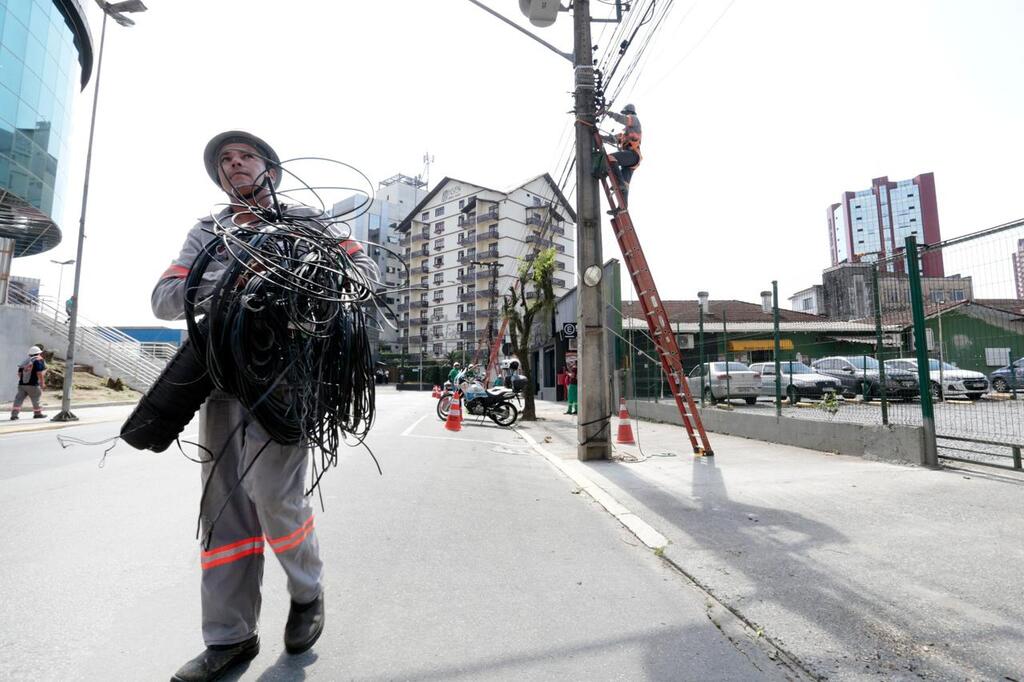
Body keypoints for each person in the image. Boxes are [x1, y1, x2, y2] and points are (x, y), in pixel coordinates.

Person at [151, 130, 379, 682]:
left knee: (275, 498)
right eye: (225, 161)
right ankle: (229, 639)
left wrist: (293, 281)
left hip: (287, 378)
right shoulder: (207, 232)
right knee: (223, 512)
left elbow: (365, 277)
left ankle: (307, 591)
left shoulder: (311, 223)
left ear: (270, 168)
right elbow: (163, 299)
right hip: (222, 378)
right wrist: (231, 282)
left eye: (245, 156)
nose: (234, 165)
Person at [600, 103, 642, 209]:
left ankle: (620, 184)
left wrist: (607, 113)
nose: (626, 115)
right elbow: (613, 139)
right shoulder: (625, 133)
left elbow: (623, 119)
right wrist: (601, 137)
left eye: (626, 113)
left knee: (610, 158)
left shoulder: (633, 119)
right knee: (625, 184)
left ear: (629, 112)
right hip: (631, 159)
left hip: (632, 155)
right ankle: (623, 207)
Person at [10, 345, 46, 420]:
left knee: (18, 399)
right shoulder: (38, 361)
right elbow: (39, 373)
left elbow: (19, 373)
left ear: (30, 354)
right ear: (39, 353)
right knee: (36, 398)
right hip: (33, 385)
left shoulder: (25, 361)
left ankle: (14, 415)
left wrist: (24, 381)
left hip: (22, 385)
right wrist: (42, 383)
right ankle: (37, 414)